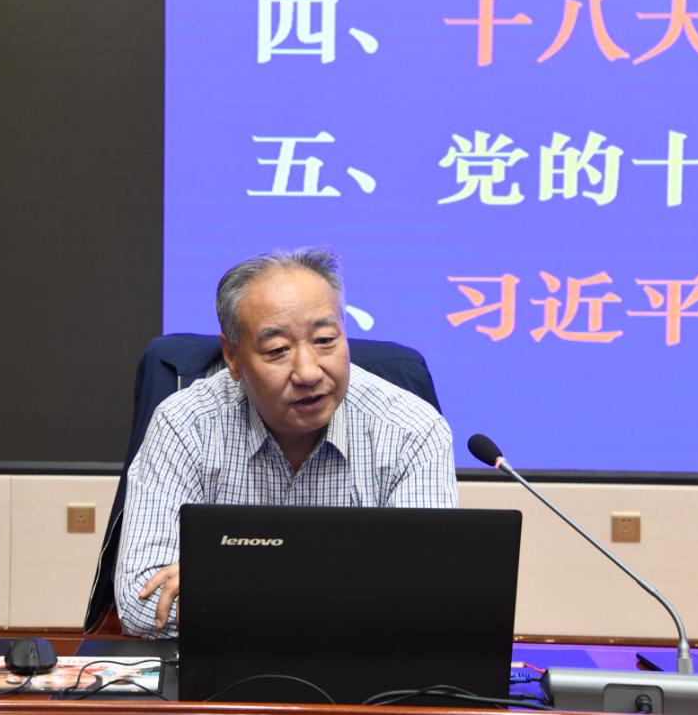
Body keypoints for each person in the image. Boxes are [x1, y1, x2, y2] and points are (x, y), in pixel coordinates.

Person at [114, 247, 458, 638]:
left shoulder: (412, 430)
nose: (308, 372)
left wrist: (225, 582)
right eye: (278, 350)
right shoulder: (185, 424)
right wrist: (350, 593)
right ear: (232, 356)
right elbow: (140, 603)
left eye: (325, 340)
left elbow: (427, 601)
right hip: (224, 671)